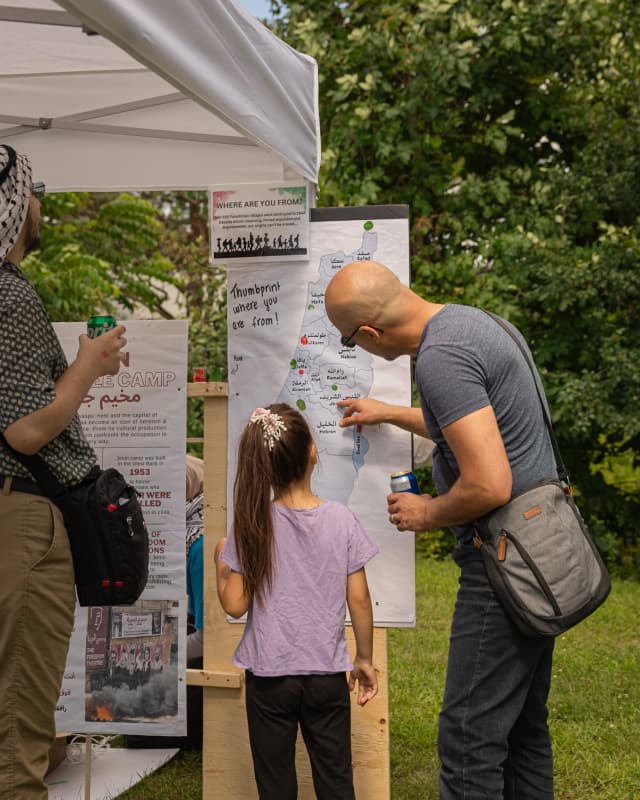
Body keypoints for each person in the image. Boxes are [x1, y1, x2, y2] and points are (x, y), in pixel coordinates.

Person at [325, 260, 557, 800]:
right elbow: (470, 419)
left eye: (347, 341)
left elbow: (490, 484)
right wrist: (391, 412)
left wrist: (424, 512)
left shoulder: (441, 358)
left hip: (501, 566)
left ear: (368, 334)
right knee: (523, 728)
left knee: (469, 738)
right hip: (536, 551)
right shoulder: (474, 325)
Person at [0, 144, 126, 799]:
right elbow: (26, 429)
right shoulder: (8, 290)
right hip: (22, 515)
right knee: (18, 735)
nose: (40, 201)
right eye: (34, 188)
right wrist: (88, 367)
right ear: (14, 202)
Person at [215, 403, 379, 800]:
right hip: (326, 676)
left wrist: (220, 564)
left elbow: (235, 605)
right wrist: (363, 659)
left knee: (276, 786)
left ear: (263, 467)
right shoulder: (341, 518)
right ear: (312, 453)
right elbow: (359, 599)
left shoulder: (253, 524)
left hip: (270, 679)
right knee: (336, 781)